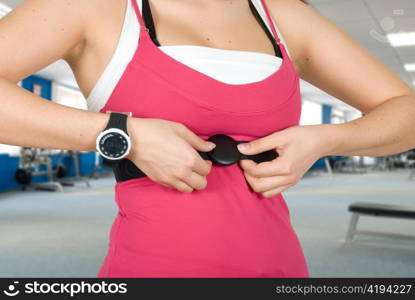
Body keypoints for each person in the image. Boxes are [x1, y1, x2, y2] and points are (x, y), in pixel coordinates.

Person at [0, 0, 414, 278]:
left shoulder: (282, 13)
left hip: (279, 263)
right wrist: (121, 133)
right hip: (154, 265)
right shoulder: (93, 8)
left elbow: (405, 111)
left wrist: (326, 139)